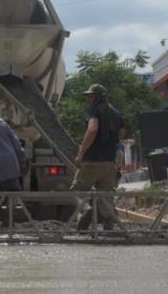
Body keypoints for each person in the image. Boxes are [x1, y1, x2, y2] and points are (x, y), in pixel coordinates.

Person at [72, 83, 125, 231]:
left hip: (91, 160)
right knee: (106, 194)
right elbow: (122, 133)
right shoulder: (116, 113)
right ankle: (108, 223)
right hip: (109, 162)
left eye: (90, 96)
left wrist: (81, 153)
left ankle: (88, 209)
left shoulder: (93, 111)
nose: (88, 99)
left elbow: (93, 129)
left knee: (76, 191)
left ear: (97, 98)